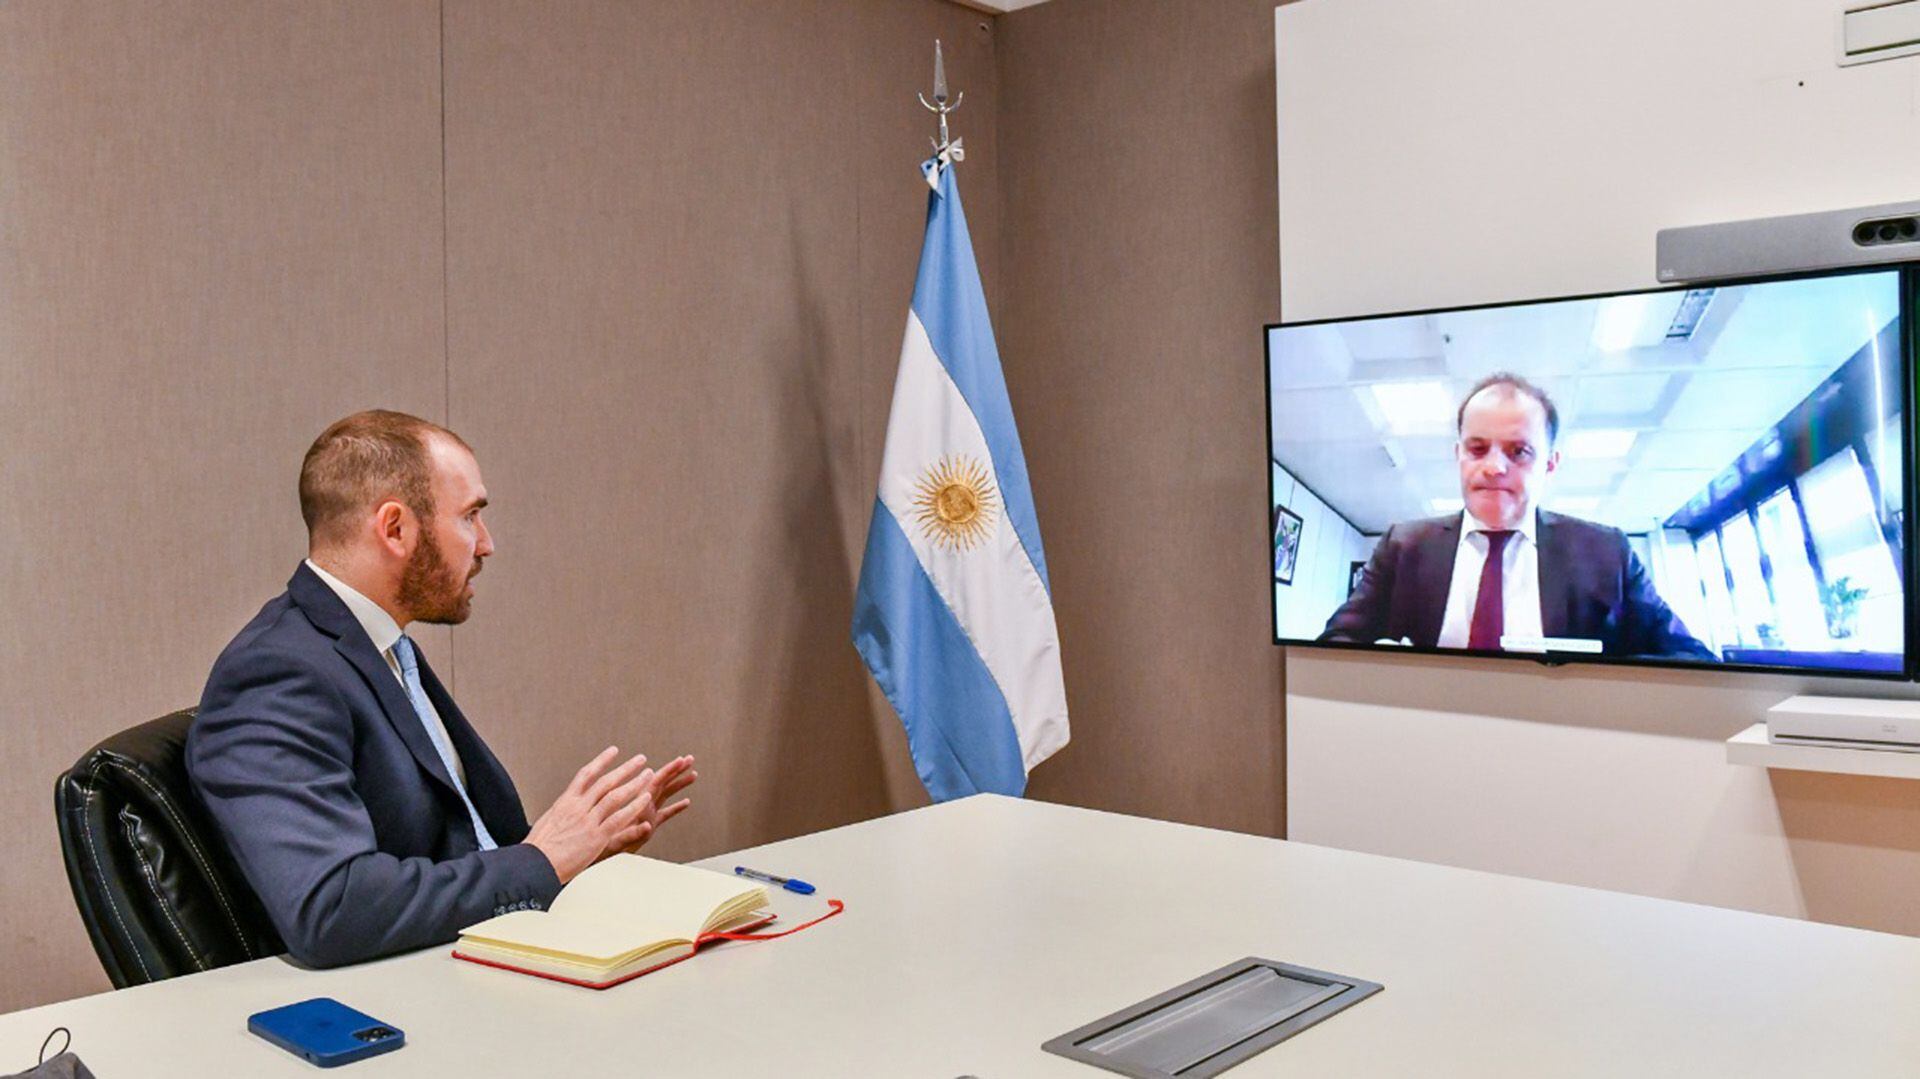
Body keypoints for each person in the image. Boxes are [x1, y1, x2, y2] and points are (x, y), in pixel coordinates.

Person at [187, 410, 697, 967]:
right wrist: (543, 862)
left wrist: (583, 853)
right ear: (396, 529)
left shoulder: (380, 644)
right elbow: (331, 908)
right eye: (470, 517)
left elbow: (457, 843)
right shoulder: (274, 673)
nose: (486, 545)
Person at [1318, 373, 1715, 660]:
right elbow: (1335, 646)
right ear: (1457, 455)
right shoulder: (1403, 547)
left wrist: (1602, 681)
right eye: (1477, 448)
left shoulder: (1606, 552)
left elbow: (1690, 658)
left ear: (1550, 464)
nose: (1493, 468)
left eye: (1518, 452)